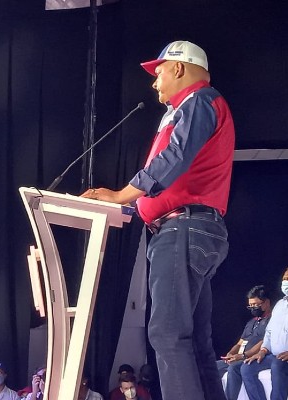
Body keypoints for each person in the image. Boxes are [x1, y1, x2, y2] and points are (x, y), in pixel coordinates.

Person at [81, 40, 234, 400]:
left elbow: (175, 157)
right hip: (190, 228)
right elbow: (177, 177)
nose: (154, 82)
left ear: (179, 68)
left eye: (159, 71)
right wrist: (131, 207)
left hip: (183, 229)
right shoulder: (192, 107)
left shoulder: (199, 101)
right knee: (194, 341)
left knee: (167, 334)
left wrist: (122, 195)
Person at [216, 285, 271, 400]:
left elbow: (264, 342)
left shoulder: (271, 321)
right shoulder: (251, 322)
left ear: (266, 303)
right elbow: (240, 342)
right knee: (213, 366)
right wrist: (230, 354)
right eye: (250, 306)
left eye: (255, 305)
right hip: (239, 356)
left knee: (234, 368)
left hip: (253, 357)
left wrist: (242, 356)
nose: (252, 308)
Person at [241, 267, 288, 400]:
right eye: (284, 279)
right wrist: (262, 350)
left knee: (278, 365)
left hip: (284, 359)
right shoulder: (280, 304)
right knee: (247, 368)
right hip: (274, 355)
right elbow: (269, 332)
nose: (285, 282)